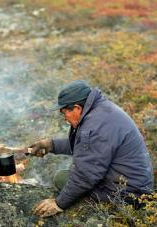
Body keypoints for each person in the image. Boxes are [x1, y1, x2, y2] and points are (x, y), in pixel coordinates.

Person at [30, 80, 154, 218]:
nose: (64, 118)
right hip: (134, 186)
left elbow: (86, 175)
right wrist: (50, 145)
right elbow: (86, 145)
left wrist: (59, 204)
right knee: (70, 176)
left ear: (77, 108)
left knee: (62, 178)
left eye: (64, 112)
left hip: (128, 196)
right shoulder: (100, 111)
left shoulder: (96, 125)